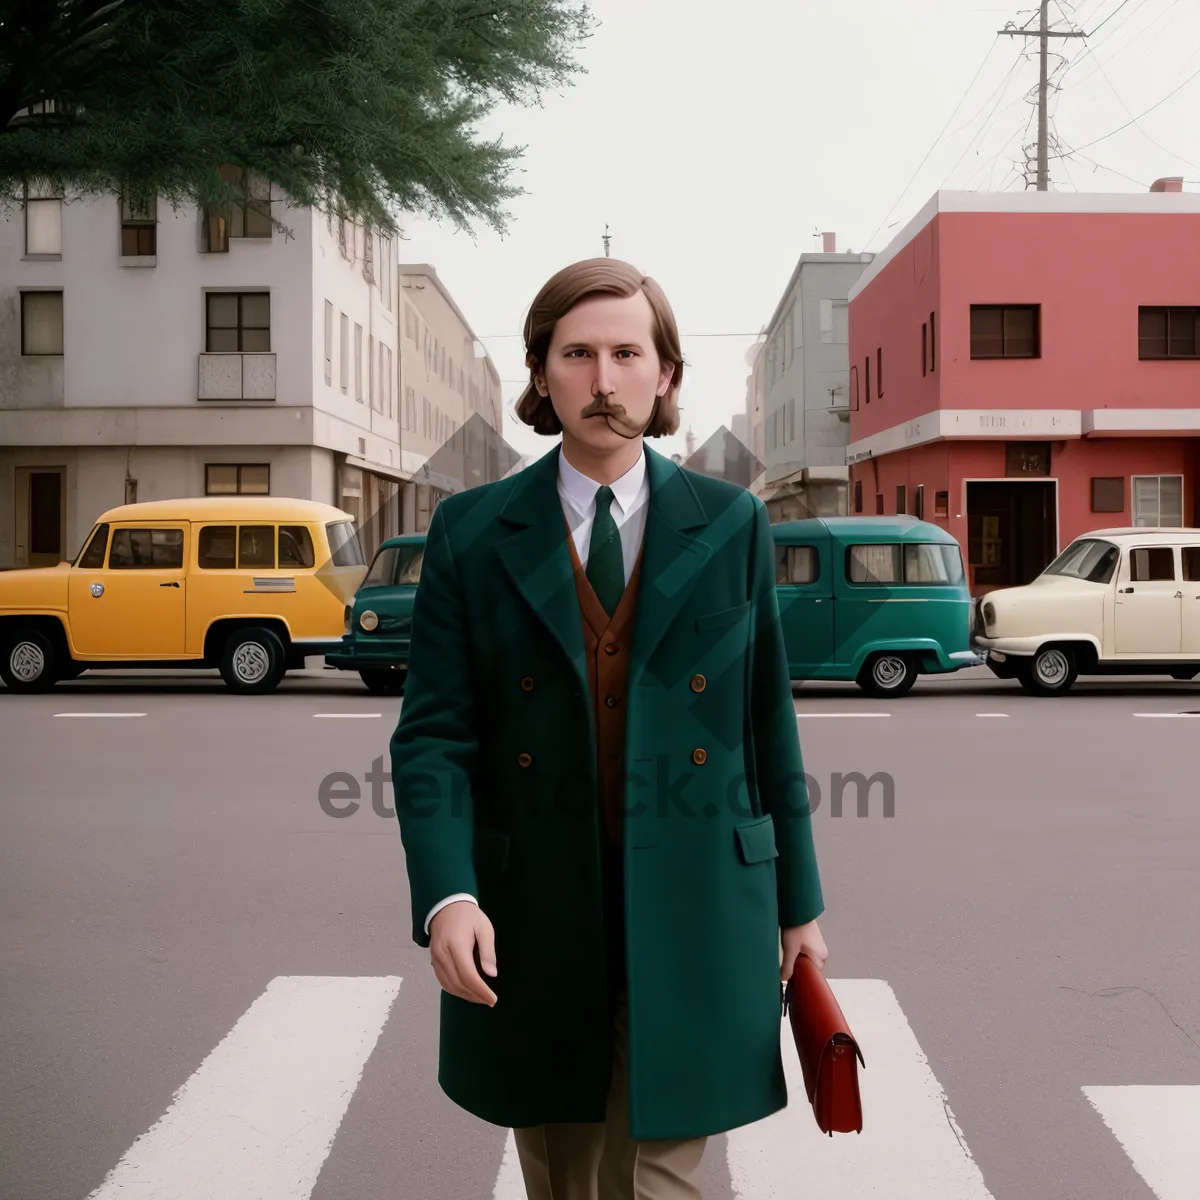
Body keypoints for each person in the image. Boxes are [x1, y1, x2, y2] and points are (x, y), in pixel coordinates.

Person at [390, 258, 827, 1200]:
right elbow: (434, 737)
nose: (603, 378)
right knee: (566, 1178)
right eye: (577, 353)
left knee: (667, 1177)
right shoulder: (470, 532)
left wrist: (800, 905)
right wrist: (448, 896)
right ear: (542, 375)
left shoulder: (731, 521)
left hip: (700, 897)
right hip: (533, 908)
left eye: (628, 352)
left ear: (665, 375)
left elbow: (764, 721)